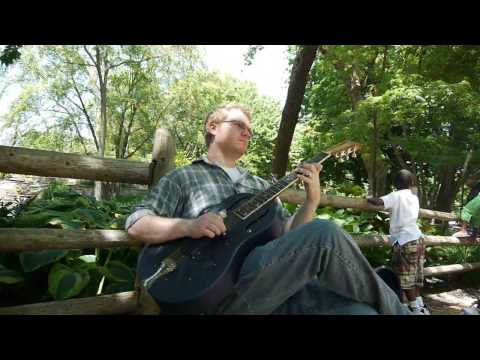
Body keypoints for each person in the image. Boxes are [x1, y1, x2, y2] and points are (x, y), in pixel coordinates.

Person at [126, 104, 413, 315]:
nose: (247, 133)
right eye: (239, 125)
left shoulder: (261, 185)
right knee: (324, 231)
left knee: (360, 314)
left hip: (274, 287)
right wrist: (188, 226)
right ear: (213, 127)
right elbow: (137, 223)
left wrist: (311, 199)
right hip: (219, 292)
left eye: (250, 131)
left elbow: (292, 238)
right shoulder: (185, 177)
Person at [367, 169, 429, 315]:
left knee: (405, 277)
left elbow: (379, 202)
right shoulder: (414, 197)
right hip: (418, 238)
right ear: (410, 183)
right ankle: (421, 306)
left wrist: (369, 197)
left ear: (396, 183)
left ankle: (414, 309)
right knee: (416, 275)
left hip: (404, 241)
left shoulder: (396, 195)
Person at [453, 176, 480, 240]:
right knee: (477, 218)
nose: (466, 183)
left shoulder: (478, 185)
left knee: (466, 211)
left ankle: (463, 231)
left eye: (467, 180)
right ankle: (474, 234)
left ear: (474, 179)